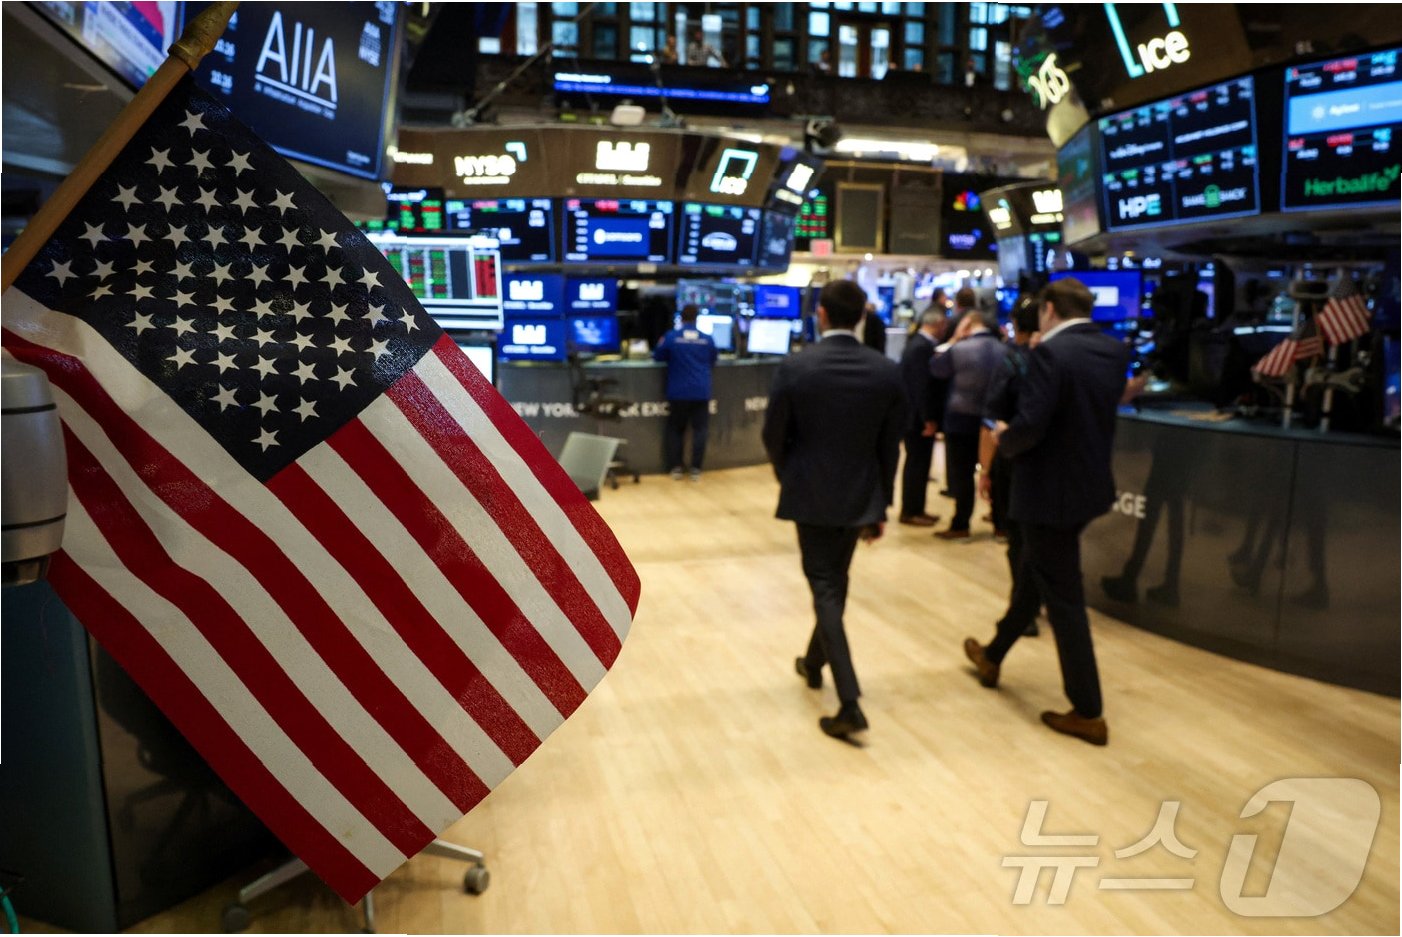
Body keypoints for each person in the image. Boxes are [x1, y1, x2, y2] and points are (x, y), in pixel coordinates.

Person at [963, 278, 1129, 746]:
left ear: (1050, 309)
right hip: (1088, 487)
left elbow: (1032, 423)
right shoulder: (1113, 351)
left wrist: (1004, 440)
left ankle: (1088, 711)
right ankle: (993, 654)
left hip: (1047, 493)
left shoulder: (1051, 354)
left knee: (1064, 598)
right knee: (1037, 574)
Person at [762, 280, 907, 740]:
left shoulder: (796, 366)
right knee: (834, 581)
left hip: (810, 493)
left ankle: (849, 703)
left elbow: (773, 435)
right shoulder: (886, 371)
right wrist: (881, 503)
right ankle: (812, 662)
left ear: (821, 314)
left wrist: (789, 474)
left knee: (825, 587)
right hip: (861, 496)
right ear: (861, 316)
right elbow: (890, 446)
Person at [979, 295, 1042, 635]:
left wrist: (985, 470)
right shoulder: (1055, 359)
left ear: (1015, 324)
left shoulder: (1011, 361)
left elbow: (991, 420)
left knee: (1017, 539)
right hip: (1050, 462)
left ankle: (1023, 611)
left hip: (1013, 460)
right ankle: (1036, 602)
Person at [929, 307, 1004, 539]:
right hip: (994, 419)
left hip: (961, 418)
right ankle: (1000, 523)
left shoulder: (960, 348)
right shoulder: (1004, 349)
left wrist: (953, 338)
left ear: (968, 325)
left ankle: (961, 524)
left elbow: (936, 368)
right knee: (995, 472)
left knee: (961, 474)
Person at [653, 304, 718, 481]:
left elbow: (658, 356)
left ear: (681, 318)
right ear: (697, 318)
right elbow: (714, 359)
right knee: (700, 430)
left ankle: (676, 468)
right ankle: (696, 469)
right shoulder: (707, 339)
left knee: (676, 429)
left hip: (678, 392)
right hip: (701, 391)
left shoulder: (671, 337)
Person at [897, 307, 946, 526]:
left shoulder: (918, 343)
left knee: (919, 464)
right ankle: (911, 511)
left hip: (914, 415)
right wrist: (927, 418)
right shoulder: (921, 347)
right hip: (917, 418)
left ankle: (917, 508)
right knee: (917, 465)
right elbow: (921, 387)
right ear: (937, 323)